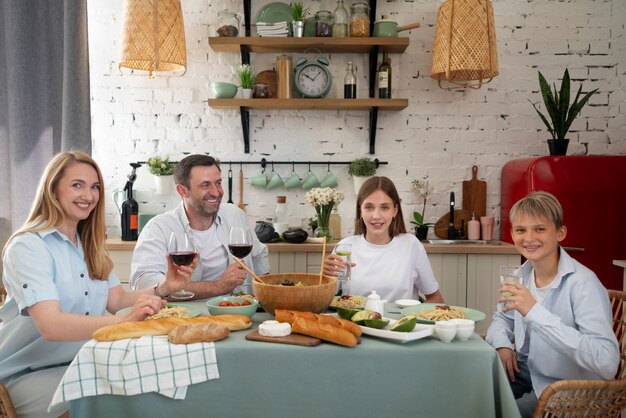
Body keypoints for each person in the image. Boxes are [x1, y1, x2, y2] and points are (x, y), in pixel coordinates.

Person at [0, 151, 189, 418]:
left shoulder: (89, 244)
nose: (88, 196)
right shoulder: (29, 247)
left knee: (149, 385)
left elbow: (117, 300)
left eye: (95, 187)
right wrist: (125, 322)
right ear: (53, 189)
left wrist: (166, 286)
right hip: (24, 373)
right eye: (77, 185)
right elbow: (51, 326)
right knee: (113, 401)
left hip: (82, 361)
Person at [486, 191, 619, 418]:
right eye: (521, 230)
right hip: (526, 371)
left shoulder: (583, 283)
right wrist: (502, 344)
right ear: (512, 234)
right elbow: (502, 317)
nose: (528, 238)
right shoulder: (521, 274)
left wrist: (534, 312)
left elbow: (607, 362)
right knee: (471, 397)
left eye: (539, 229)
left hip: (566, 389)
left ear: (560, 233)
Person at [130, 154, 269, 299]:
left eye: (218, 183)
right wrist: (217, 287)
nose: (216, 192)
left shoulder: (235, 215)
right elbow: (144, 284)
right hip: (186, 317)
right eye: (205, 185)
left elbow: (259, 258)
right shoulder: (158, 228)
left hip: (241, 312)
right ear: (183, 191)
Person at [323, 176, 444, 303]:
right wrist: (325, 276)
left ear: (395, 211)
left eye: (385, 207)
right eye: (369, 207)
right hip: (355, 322)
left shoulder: (411, 245)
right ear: (360, 211)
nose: (376, 216)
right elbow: (325, 301)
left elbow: (436, 299)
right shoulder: (345, 247)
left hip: (401, 322)